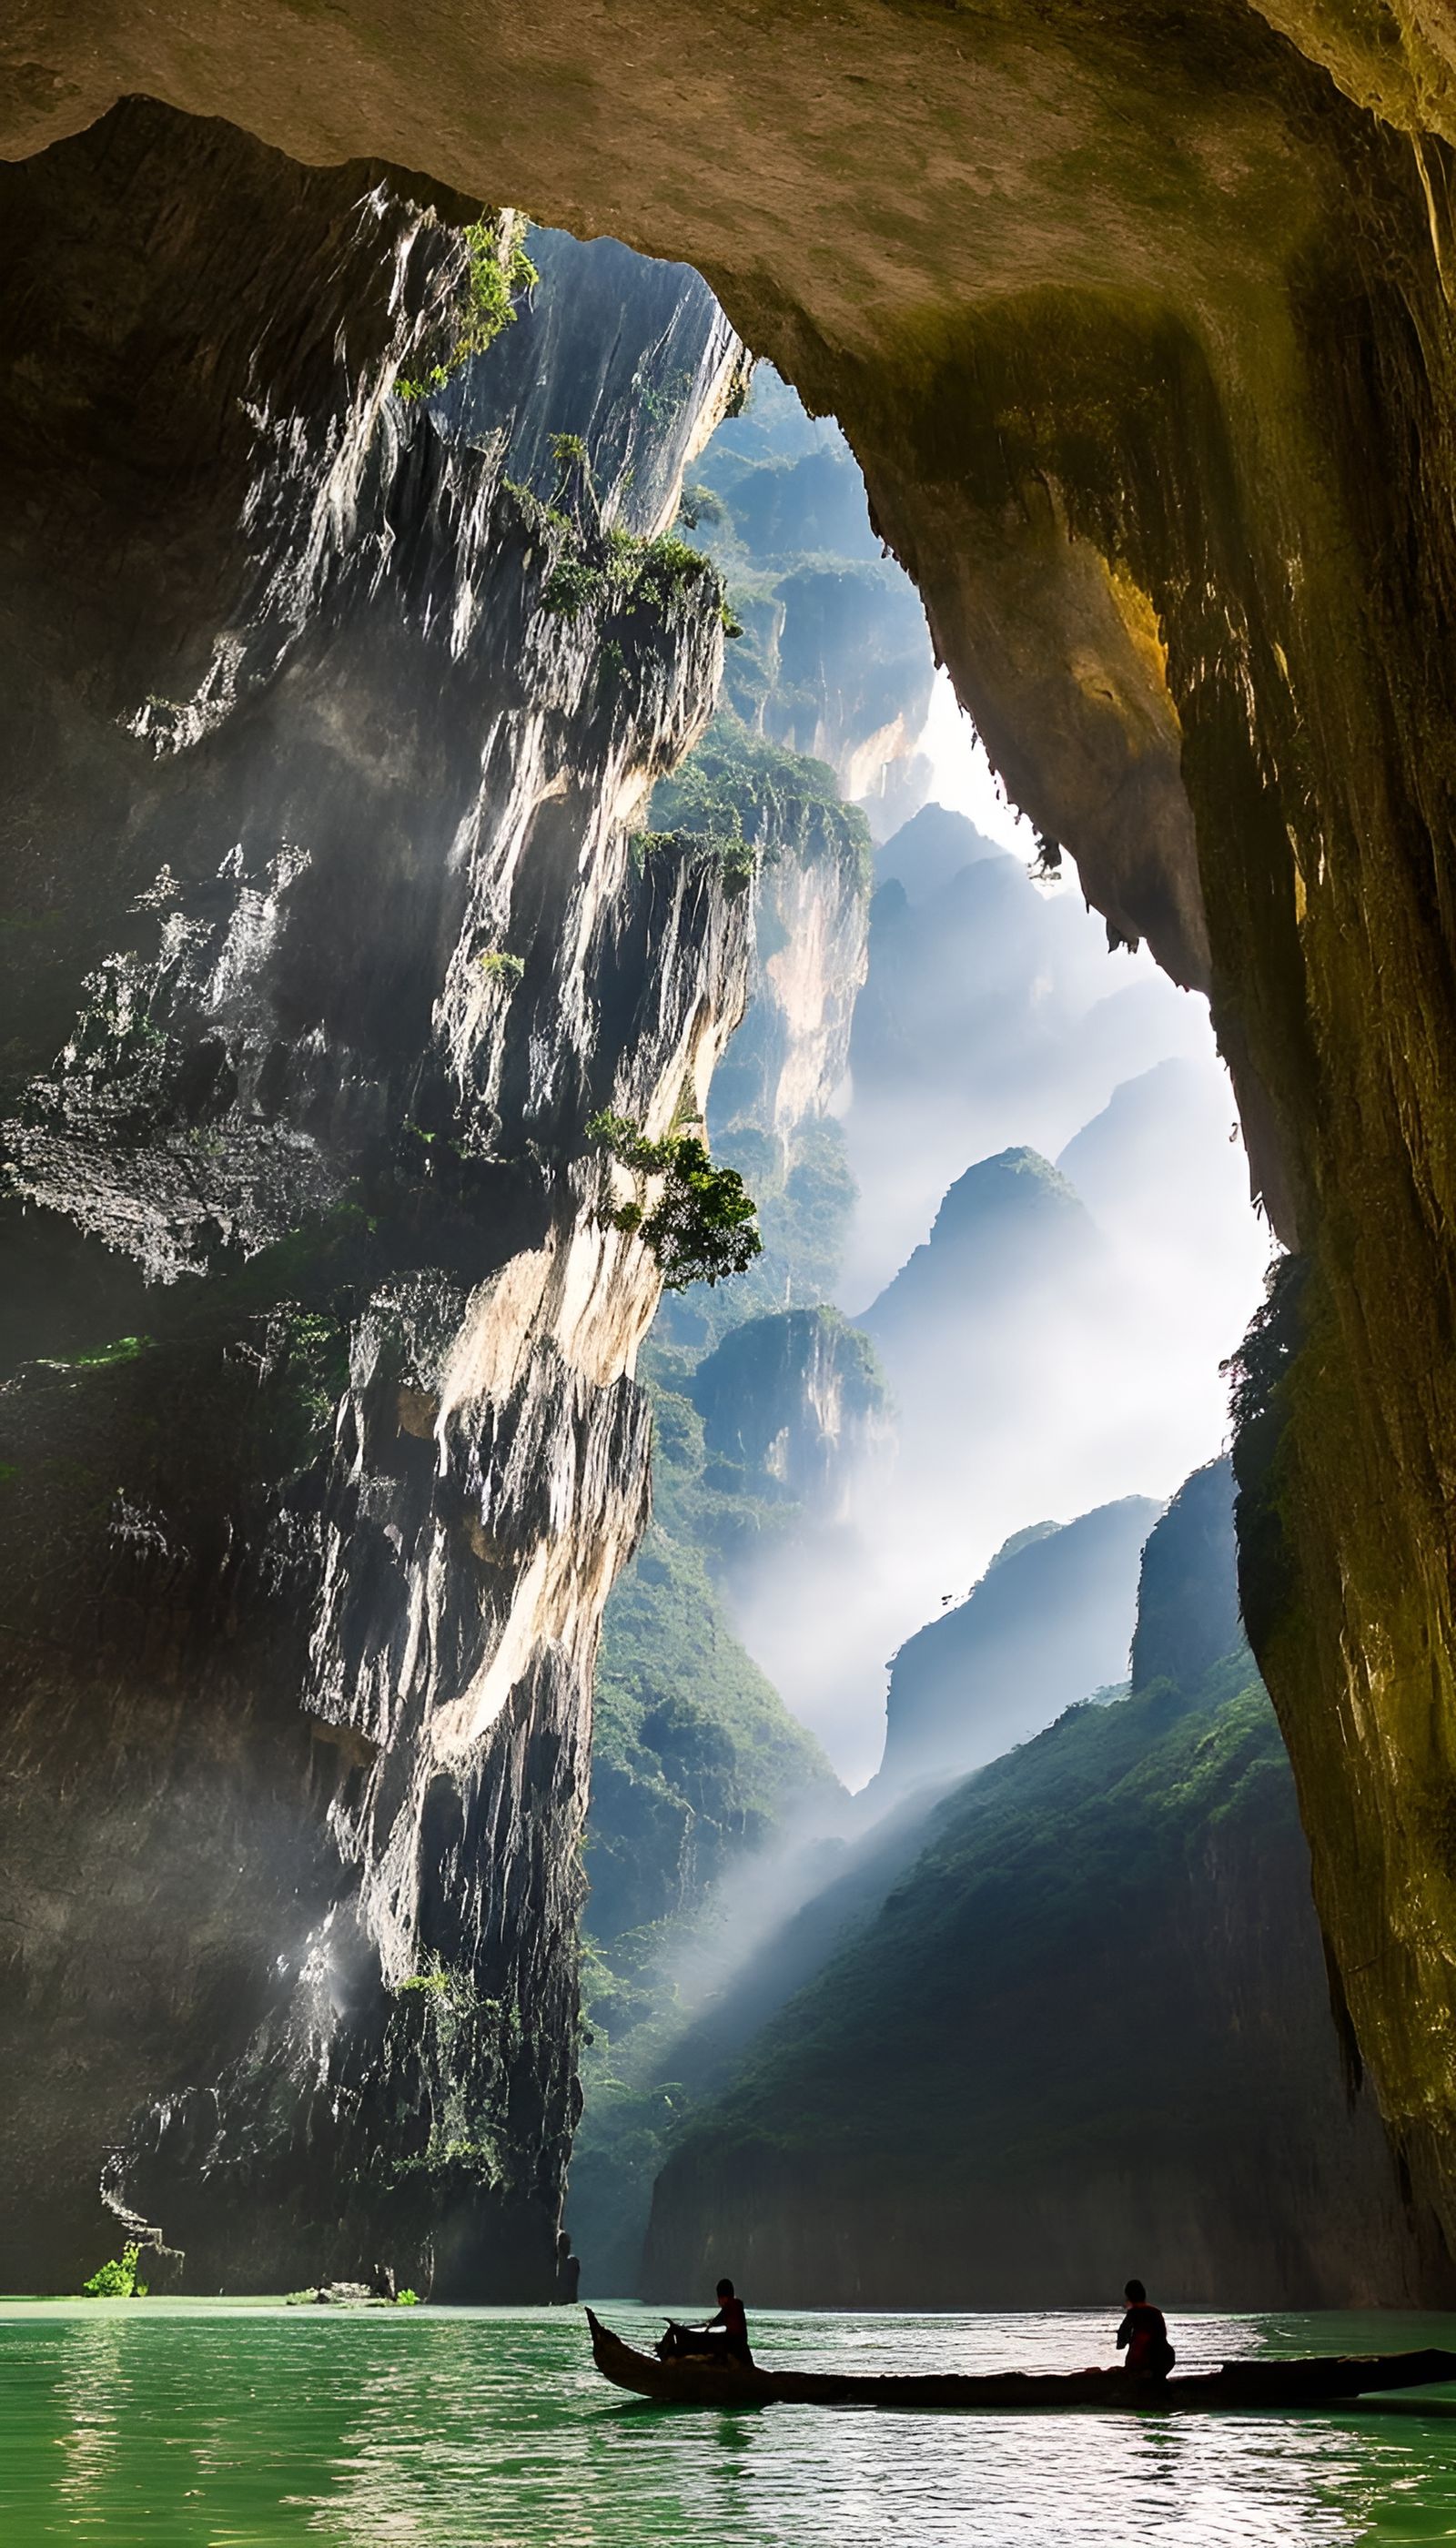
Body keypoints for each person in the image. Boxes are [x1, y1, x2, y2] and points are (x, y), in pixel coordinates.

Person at [1116, 2279, 1174, 2381]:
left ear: (1128, 2297)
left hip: (1143, 2361)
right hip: (1165, 2359)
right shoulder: (1156, 2312)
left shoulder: (1132, 2314)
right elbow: (1162, 2336)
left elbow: (1121, 2344)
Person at [702, 2277, 752, 2365]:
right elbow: (719, 2319)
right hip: (743, 2349)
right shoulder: (736, 2305)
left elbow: (719, 2321)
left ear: (723, 2298)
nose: (718, 2302)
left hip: (737, 2350)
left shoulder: (730, 2307)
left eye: (719, 2298)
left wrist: (710, 2325)